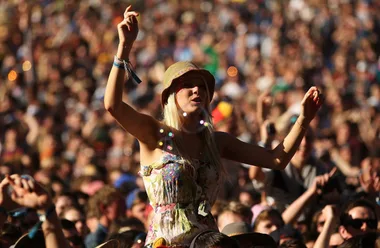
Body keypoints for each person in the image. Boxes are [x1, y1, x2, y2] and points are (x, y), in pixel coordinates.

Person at [104, 5, 324, 247]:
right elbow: (113, 106)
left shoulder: (216, 142)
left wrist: (304, 119)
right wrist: (123, 48)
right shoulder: (154, 133)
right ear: (169, 96)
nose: (196, 89)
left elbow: (276, 160)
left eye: (202, 86)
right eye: (187, 84)